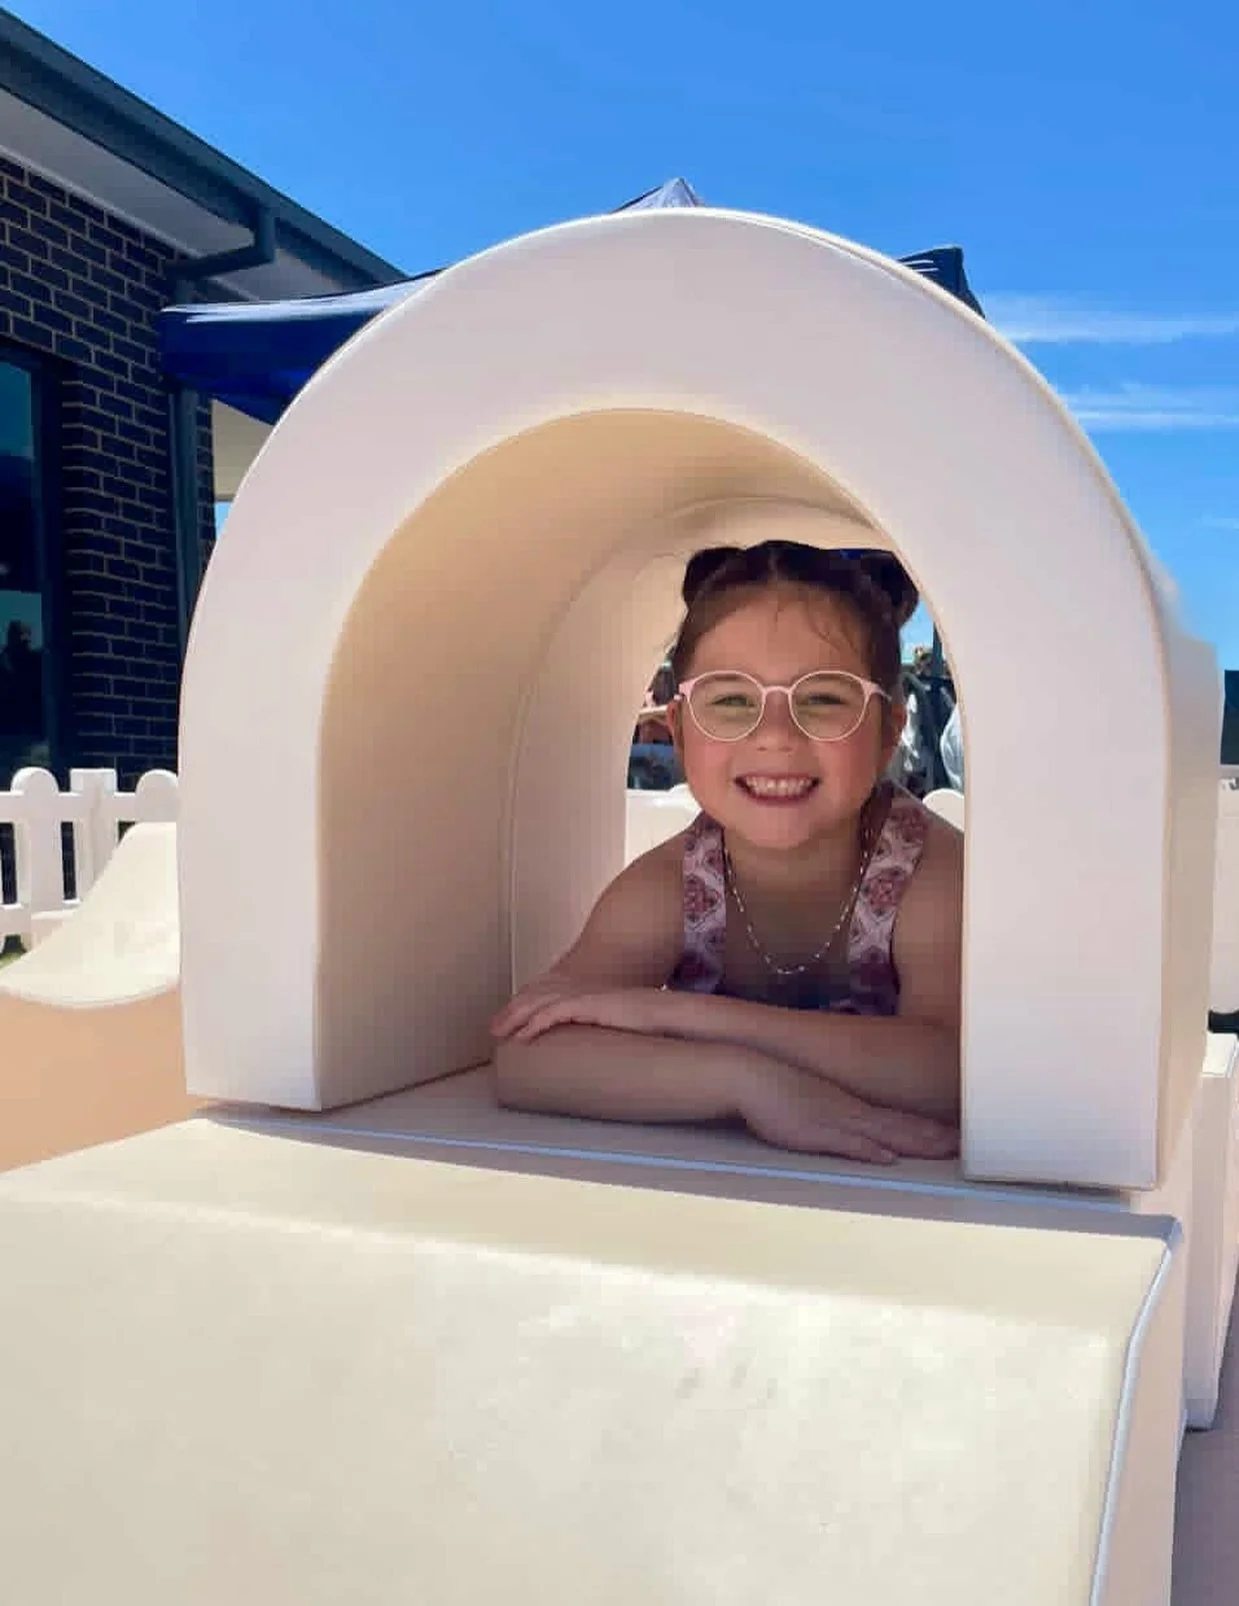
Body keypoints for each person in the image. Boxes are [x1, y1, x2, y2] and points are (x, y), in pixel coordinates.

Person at [491, 532, 963, 1165]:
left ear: (888, 734)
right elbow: (528, 1057)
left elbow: (946, 1072)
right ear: (680, 731)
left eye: (823, 699)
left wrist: (679, 1017)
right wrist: (748, 1085)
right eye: (731, 700)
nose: (774, 736)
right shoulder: (668, 888)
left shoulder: (931, 877)